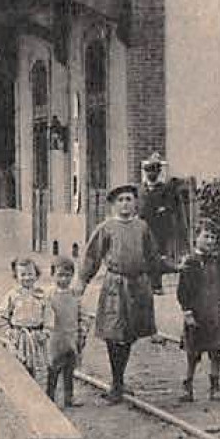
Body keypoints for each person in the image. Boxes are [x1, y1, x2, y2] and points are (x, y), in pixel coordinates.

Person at [78, 184, 170, 404]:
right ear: (113, 205)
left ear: (135, 203)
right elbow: (92, 257)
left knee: (129, 334)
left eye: (129, 199)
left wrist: (176, 267)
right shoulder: (106, 228)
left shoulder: (142, 227)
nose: (125, 204)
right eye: (120, 200)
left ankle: (119, 381)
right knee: (113, 332)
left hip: (138, 285)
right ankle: (116, 381)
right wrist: (82, 281)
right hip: (114, 286)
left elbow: (153, 257)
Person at [176, 223, 220, 402]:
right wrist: (187, 311)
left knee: (217, 350)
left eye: (212, 238)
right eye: (206, 236)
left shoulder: (219, 262)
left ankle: (215, 386)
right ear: (196, 238)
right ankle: (188, 385)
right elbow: (182, 290)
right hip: (197, 313)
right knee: (193, 351)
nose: (210, 241)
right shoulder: (190, 263)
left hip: (215, 312)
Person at [0, 257, 50, 381]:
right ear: (16, 277)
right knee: (17, 367)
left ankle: (36, 391)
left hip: (36, 337)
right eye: (23, 275)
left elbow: (48, 315)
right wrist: (8, 331)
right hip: (18, 337)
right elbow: (2, 315)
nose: (27, 278)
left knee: (38, 368)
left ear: (36, 275)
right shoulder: (12, 295)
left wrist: (46, 332)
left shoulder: (41, 295)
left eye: (30, 274)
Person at [44, 255, 87, 408]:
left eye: (68, 275)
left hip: (71, 337)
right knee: (53, 369)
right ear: (52, 275)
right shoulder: (48, 295)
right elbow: (43, 315)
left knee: (70, 369)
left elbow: (82, 314)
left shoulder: (75, 295)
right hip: (55, 338)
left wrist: (82, 332)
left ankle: (69, 398)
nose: (64, 279)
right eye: (60, 275)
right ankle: (50, 397)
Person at [139, 152, 183, 294]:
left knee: (158, 255)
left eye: (154, 170)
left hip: (160, 227)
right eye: (148, 170)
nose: (151, 173)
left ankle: (157, 285)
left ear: (158, 172)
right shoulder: (142, 189)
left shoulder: (164, 189)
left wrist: (163, 210)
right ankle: (145, 285)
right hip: (145, 225)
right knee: (145, 255)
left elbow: (172, 206)